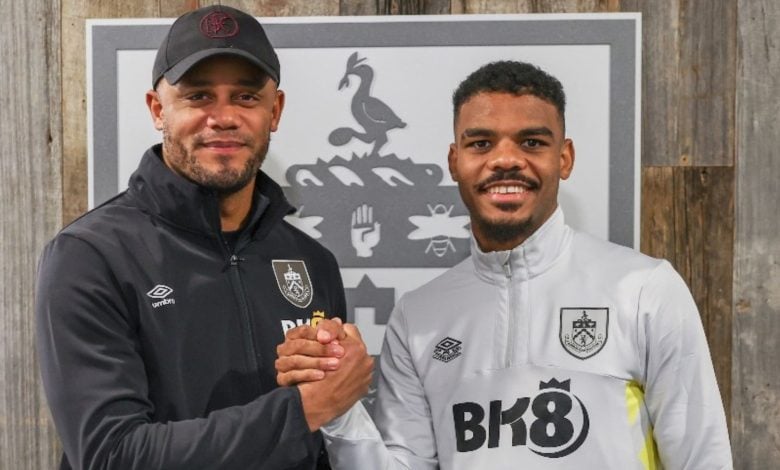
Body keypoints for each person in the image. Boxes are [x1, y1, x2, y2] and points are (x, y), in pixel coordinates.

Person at [276, 60, 733, 469]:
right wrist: (337, 405)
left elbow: (702, 458)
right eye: (481, 143)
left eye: (532, 142)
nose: (506, 160)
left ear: (565, 158)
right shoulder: (417, 318)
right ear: (455, 162)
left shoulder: (645, 289)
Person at [35, 5, 372, 470]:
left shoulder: (311, 261)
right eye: (198, 96)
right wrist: (307, 408)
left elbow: (322, 449)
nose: (223, 117)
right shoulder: (90, 256)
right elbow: (111, 455)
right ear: (158, 109)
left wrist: (334, 385)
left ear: (275, 111)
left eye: (246, 97)